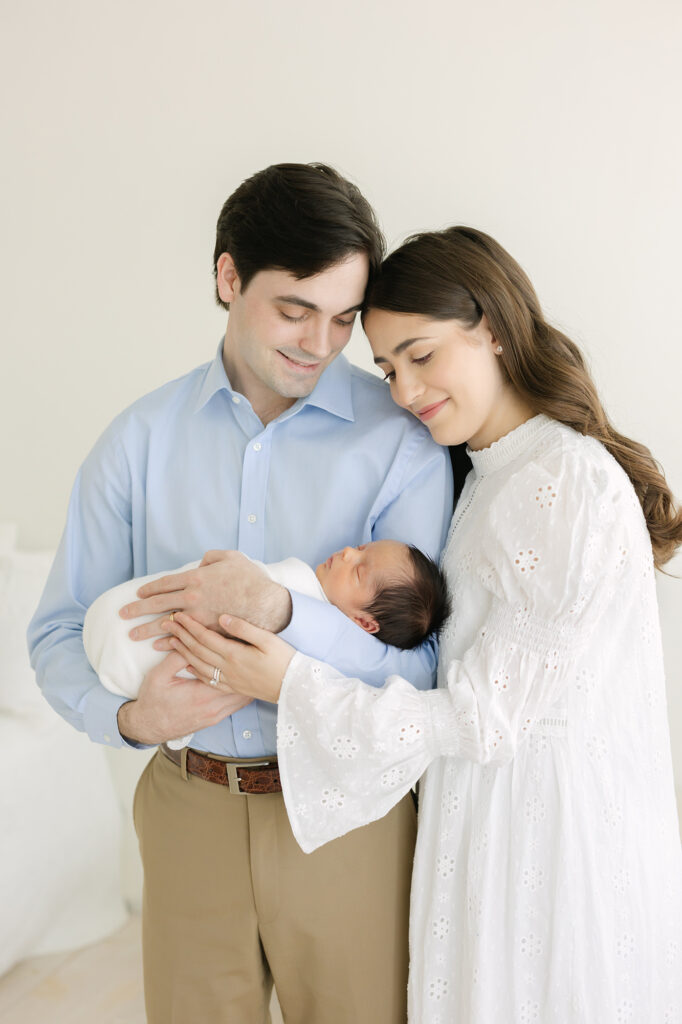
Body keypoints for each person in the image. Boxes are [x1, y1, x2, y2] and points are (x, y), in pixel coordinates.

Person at [168, 226, 682, 1023]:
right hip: (489, 826)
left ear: (494, 331)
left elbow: (483, 717)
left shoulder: (560, 480)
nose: (404, 390)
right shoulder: (492, 476)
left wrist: (290, 681)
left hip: (542, 848)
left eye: (422, 354)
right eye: (386, 367)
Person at [28, 164, 453, 1024]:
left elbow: (433, 661)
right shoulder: (137, 442)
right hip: (187, 807)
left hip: (348, 815)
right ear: (228, 278)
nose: (319, 343)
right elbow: (57, 631)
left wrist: (287, 614)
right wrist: (130, 721)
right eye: (294, 309)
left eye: (343, 319)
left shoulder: (403, 445)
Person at [83, 539, 450, 748]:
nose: (348, 552)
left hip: (121, 650)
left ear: (364, 623)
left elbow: (417, 685)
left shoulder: (322, 656)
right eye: (360, 547)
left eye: (358, 570)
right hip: (117, 646)